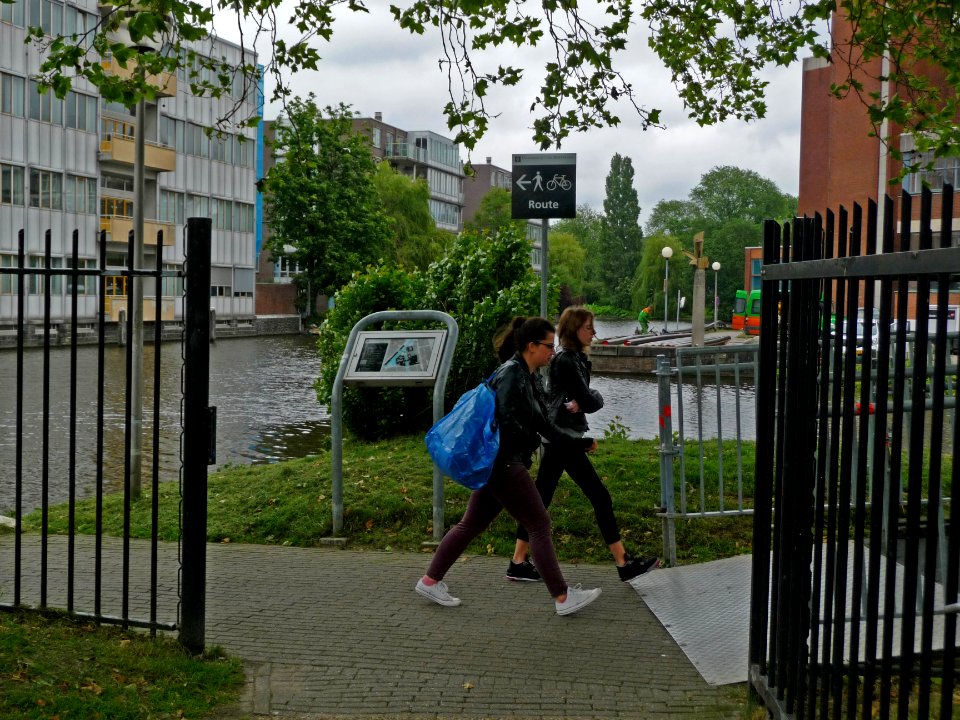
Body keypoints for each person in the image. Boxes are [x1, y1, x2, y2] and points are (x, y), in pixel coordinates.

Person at [416, 316, 602, 616]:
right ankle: (563, 597)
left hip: (500, 464)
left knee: (471, 524)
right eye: (547, 346)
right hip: (504, 464)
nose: (552, 353)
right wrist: (540, 439)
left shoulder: (526, 375)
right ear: (531, 346)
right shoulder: (513, 375)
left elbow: (545, 424)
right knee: (539, 524)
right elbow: (508, 423)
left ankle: (430, 580)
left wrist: (578, 442)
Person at [506, 307, 659, 584]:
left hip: (561, 435)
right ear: (574, 329)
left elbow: (586, 399)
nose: (594, 332)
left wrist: (587, 398)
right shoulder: (566, 360)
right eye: (589, 327)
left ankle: (518, 561)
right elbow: (588, 401)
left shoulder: (573, 358)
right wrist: (588, 400)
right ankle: (623, 563)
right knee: (598, 497)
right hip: (563, 436)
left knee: (541, 500)